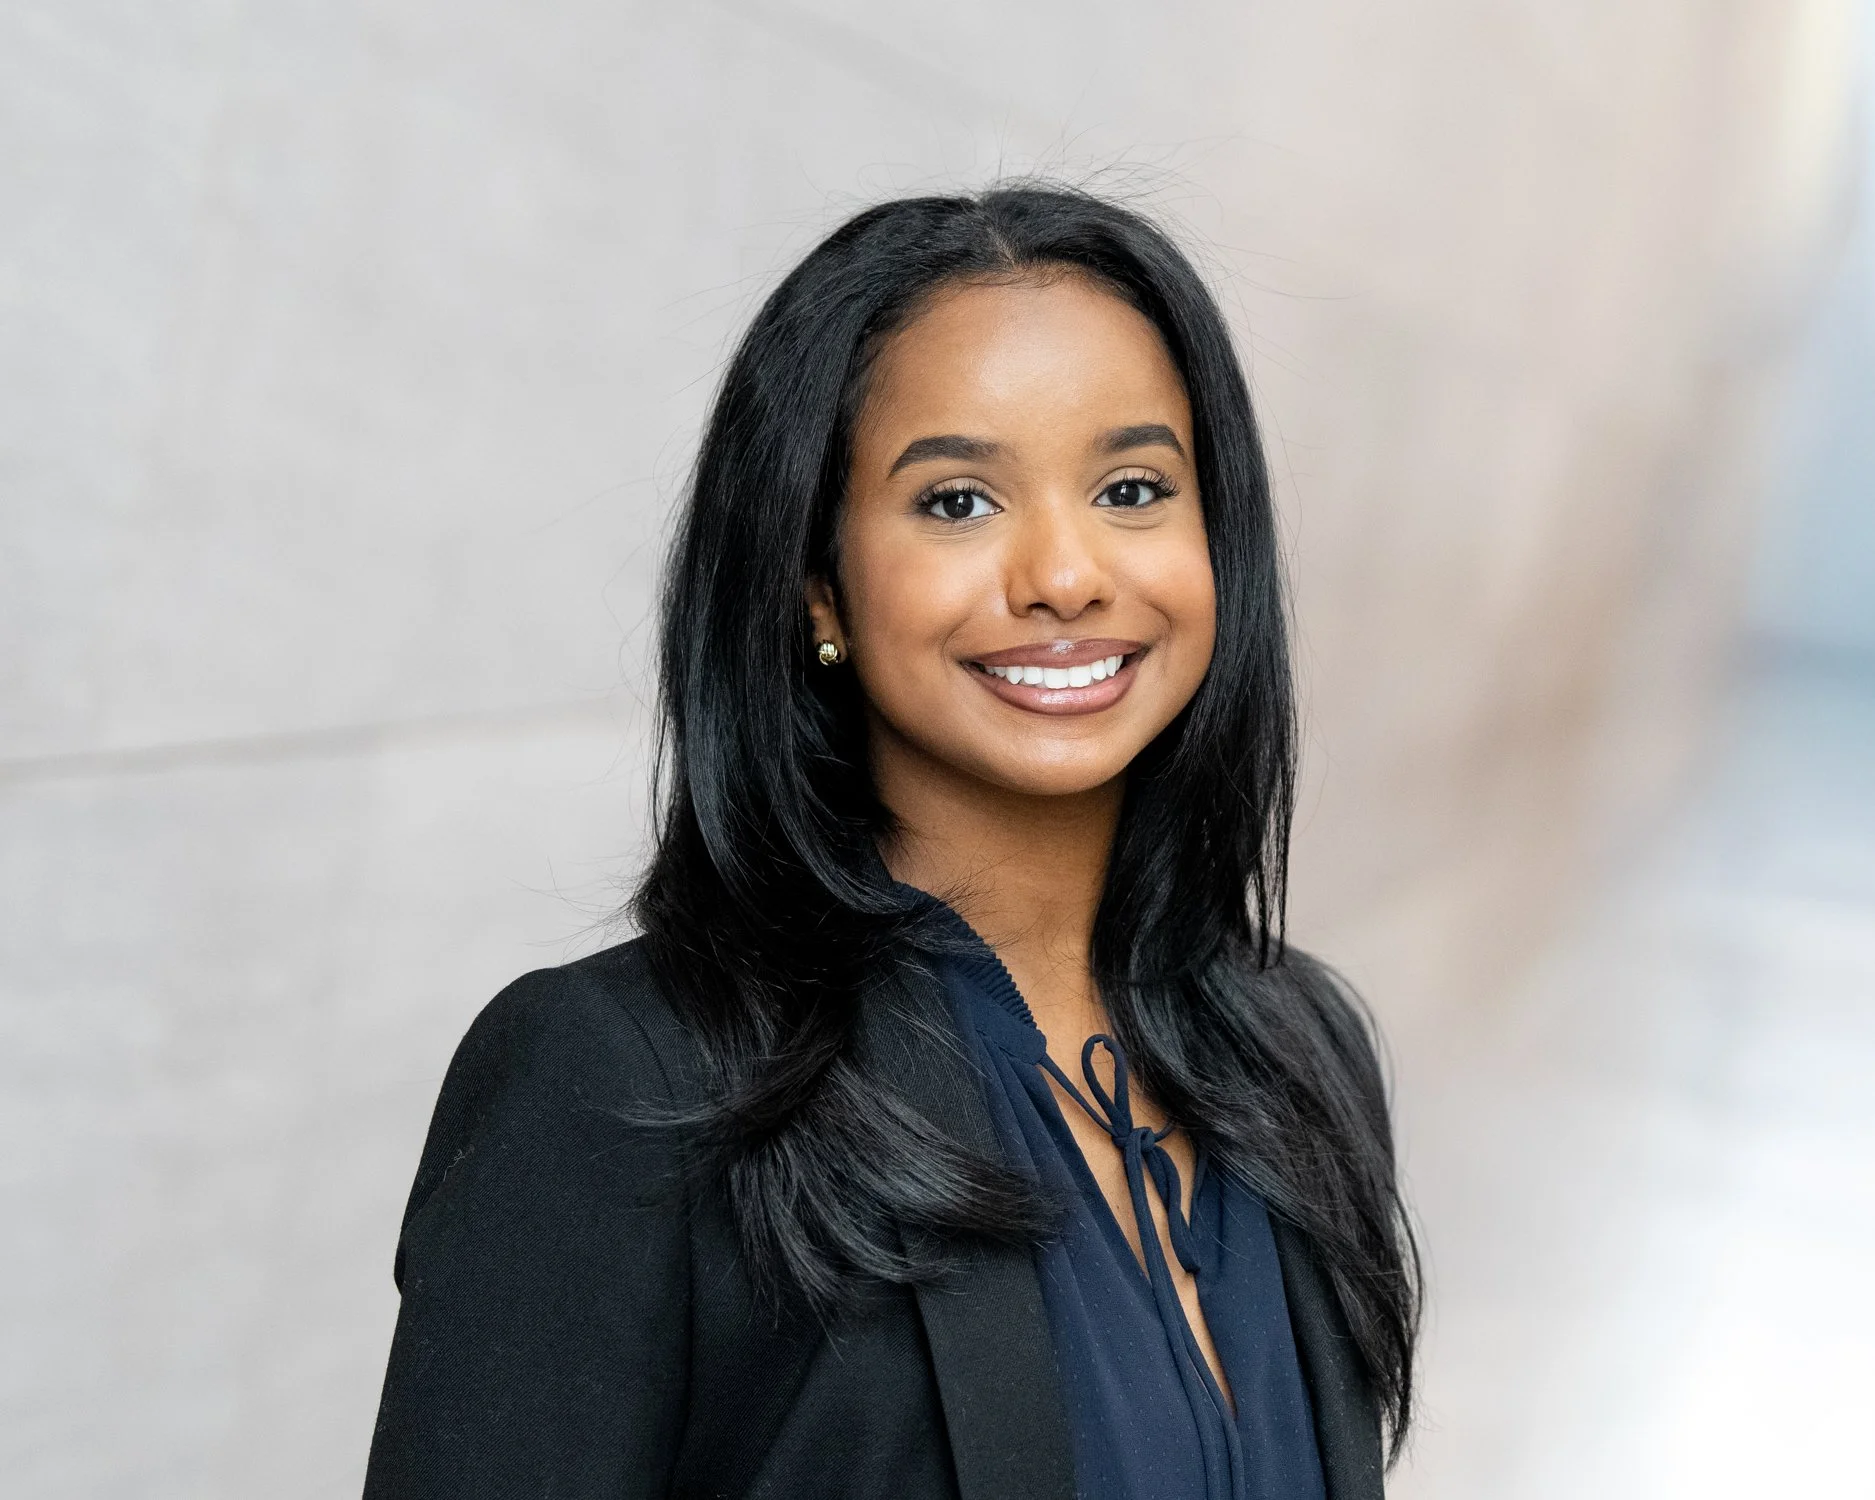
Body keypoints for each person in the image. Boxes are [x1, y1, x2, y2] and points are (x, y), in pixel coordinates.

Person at [363, 185, 1419, 1500]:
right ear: (820, 587)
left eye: (1134, 487)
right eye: (958, 502)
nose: (1065, 573)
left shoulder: (1298, 1046)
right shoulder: (630, 1083)